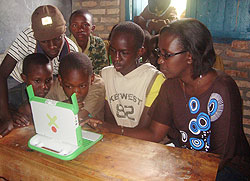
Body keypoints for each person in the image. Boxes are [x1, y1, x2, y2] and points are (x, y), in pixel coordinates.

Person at [92, 19, 250, 180]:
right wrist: (110, 129)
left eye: (166, 55)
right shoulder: (170, 86)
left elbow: (223, 156)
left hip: (227, 169)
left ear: (190, 56)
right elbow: (154, 133)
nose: (159, 60)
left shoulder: (221, 89)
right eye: (159, 53)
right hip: (187, 159)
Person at [0, 5, 78, 137]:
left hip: (41, 82)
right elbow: (1, 74)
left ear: (64, 32)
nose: (52, 46)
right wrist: (7, 117)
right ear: (35, 37)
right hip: (12, 78)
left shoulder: (71, 52)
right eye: (45, 42)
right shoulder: (27, 38)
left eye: (57, 38)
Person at [86, 21, 165, 135]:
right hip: (114, 139)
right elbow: (109, 118)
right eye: (113, 50)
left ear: (140, 52)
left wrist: (113, 130)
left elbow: (144, 128)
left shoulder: (154, 79)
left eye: (124, 52)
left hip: (142, 144)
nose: (116, 58)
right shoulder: (106, 74)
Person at [46, 52, 105, 122]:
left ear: (91, 79)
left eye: (82, 86)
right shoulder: (56, 86)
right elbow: (42, 111)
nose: (76, 93)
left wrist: (62, 107)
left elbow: (76, 119)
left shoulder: (97, 87)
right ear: (60, 80)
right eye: (69, 86)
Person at [12, 53, 53, 127]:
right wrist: (11, 114)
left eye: (48, 80)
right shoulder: (14, 96)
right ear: (24, 78)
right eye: (37, 81)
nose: (44, 86)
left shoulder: (56, 90)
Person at [69, 9, 108, 74]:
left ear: (92, 28)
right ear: (70, 28)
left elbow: (102, 68)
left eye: (85, 25)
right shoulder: (66, 44)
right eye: (75, 25)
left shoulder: (98, 43)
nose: (80, 29)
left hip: (93, 80)